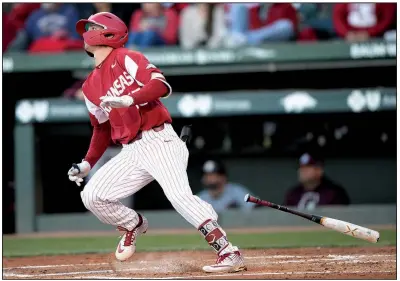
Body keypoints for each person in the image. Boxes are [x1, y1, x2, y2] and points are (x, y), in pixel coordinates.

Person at [68, 12, 246, 273]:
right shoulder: (90, 85)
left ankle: (229, 252)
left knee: (178, 196)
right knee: (93, 196)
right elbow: (101, 129)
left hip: (159, 139)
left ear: (107, 33)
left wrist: (131, 99)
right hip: (132, 150)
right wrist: (86, 164)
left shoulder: (127, 57)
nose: (86, 32)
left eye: (92, 27)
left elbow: (161, 85)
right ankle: (133, 224)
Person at [284, 153, 350, 210]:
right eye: (301, 167)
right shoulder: (293, 194)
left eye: (307, 167)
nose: (302, 171)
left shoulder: (333, 193)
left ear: (319, 170)